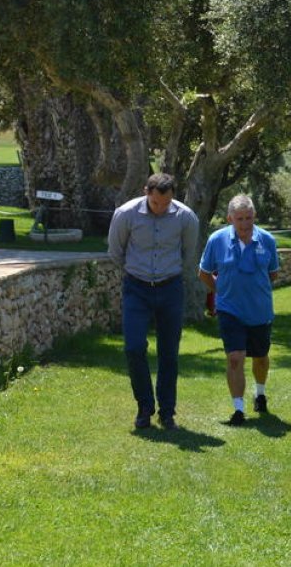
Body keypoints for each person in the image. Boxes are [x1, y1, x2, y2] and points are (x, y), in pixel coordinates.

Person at [107, 172, 200, 430]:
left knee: (169, 352)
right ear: (146, 192)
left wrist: (169, 273)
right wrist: (135, 273)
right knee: (134, 347)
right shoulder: (126, 214)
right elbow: (116, 251)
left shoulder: (186, 218)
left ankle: (167, 412)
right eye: (156, 202)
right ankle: (144, 407)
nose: (161, 208)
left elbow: (188, 254)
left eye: (166, 202)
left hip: (170, 288)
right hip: (136, 287)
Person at [198, 194, 280, 426]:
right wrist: (222, 291)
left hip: (260, 311)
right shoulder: (217, 240)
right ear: (230, 219)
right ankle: (238, 409)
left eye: (249, 218)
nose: (245, 224)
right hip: (229, 310)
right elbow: (203, 273)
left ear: (254, 217)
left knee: (261, 357)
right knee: (235, 358)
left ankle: (260, 393)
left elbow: (273, 274)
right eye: (240, 219)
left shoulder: (268, 240)